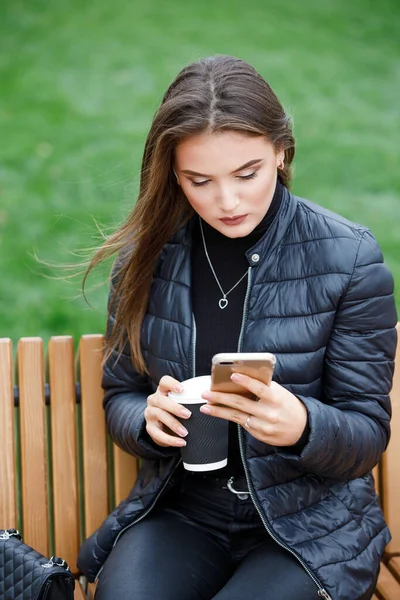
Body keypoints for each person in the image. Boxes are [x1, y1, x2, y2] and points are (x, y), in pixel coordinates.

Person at [77, 55, 398, 600]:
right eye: (199, 181)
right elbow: (121, 393)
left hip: (311, 527)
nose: (227, 202)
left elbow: (366, 433)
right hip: (182, 512)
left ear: (281, 149)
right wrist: (147, 419)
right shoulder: (145, 258)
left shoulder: (349, 257)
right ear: (172, 173)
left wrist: (301, 424)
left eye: (247, 174)